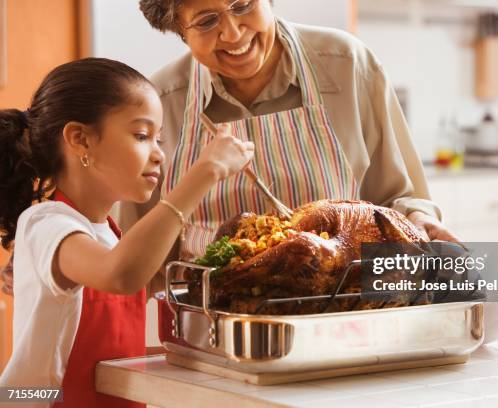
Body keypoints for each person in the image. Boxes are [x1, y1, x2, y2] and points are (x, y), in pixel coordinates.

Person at [124, 0, 458, 265]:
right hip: (211, 319)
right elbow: (138, 251)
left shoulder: (347, 65)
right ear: (179, 30)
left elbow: (398, 199)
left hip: (342, 306)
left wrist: (418, 220)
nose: (233, 33)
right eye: (207, 21)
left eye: (242, 5)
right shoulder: (161, 102)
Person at [0, 58, 253, 407]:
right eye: (141, 135)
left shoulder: (111, 236)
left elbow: (111, 355)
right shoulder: (45, 224)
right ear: (80, 139)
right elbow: (120, 274)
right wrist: (204, 173)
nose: (159, 155)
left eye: (159, 139)